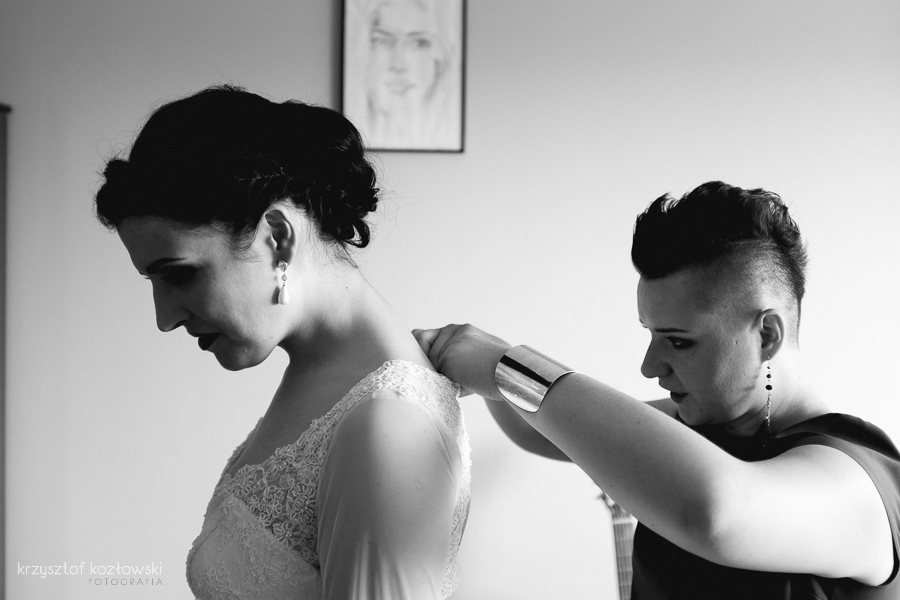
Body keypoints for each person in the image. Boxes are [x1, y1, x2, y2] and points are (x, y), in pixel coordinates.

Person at [414, 182, 899, 599]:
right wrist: (483, 367)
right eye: (650, 334)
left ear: (767, 335)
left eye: (679, 341)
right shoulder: (699, 427)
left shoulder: (859, 478)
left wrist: (504, 365)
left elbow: (714, 514)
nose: (650, 367)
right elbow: (538, 431)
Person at [94, 85, 470, 600]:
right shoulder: (326, 380)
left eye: (179, 274)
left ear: (278, 237)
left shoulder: (389, 422)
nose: (165, 318)